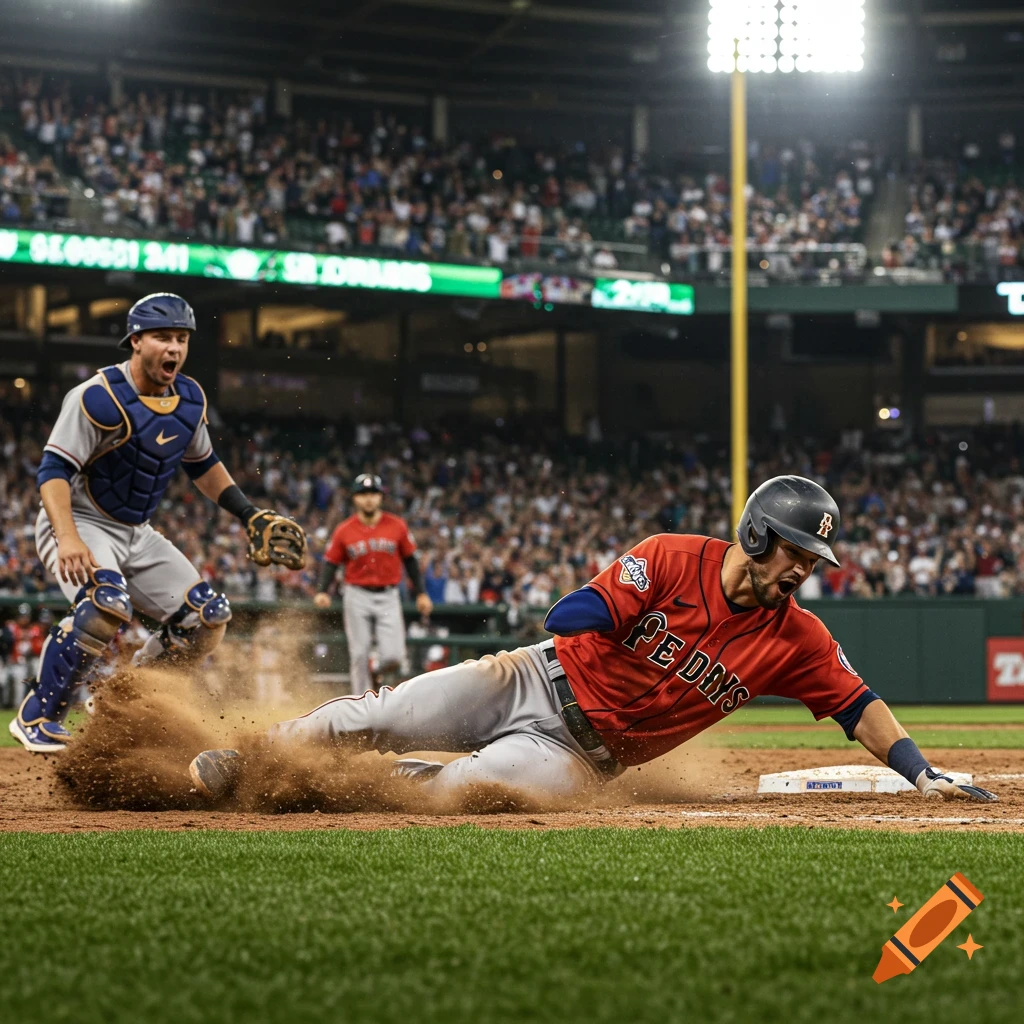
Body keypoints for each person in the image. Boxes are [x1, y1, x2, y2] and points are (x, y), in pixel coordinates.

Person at [189, 476, 996, 805]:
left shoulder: (798, 638)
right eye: (795, 552)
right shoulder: (669, 558)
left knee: (467, 795)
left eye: (813, 561)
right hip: (533, 680)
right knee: (385, 709)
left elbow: (860, 705)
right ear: (755, 534)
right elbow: (569, 617)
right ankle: (253, 756)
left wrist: (921, 774)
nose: (804, 571)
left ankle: (340, 785)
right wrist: (617, 613)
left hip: (583, 757)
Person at [10, 292, 307, 754]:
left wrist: (248, 513)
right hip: (80, 520)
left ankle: (123, 701)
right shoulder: (96, 397)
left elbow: (203, 465)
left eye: (182, 339)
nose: (174, 348)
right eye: (162, 337)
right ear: (135, 341)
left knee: (207, 617)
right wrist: (66, 537)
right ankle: (38, 715)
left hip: (137, 531)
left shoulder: (189, 399)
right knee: (106, 604)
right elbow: (52, 470)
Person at [314, 473, 432, 693]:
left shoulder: (397, 525)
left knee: (394, 656)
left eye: (373, 494)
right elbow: (330, 562)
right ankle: (362, 705)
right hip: (356, 594)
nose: (368, 499)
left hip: (388, 594)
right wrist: (323, 591)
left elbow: (411, 561)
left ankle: (376, 670)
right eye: (363, 494)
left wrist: (421, 593)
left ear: (380, 497)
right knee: (359, 654)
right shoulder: (345, 529)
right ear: (355, 499)